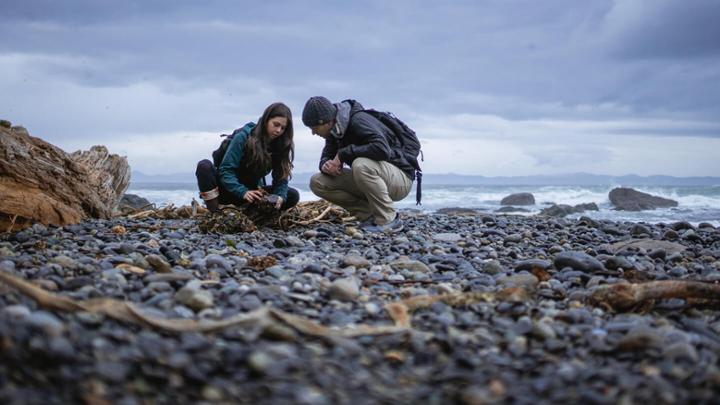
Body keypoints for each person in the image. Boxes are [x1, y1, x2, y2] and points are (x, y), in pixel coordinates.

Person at [302, 96, 415, 233]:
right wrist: (326, 165)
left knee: (360, 164)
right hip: (377, 177)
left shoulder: (358, 120)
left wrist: (344, 153)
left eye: (314, 127)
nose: (313, 133)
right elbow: (326, 156)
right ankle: (369, 216)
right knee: (317, 181)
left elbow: (382, 149)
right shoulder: (335, 131)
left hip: (401, 178)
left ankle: (389, 219)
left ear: (326, 122)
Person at [196, 102, 299, 213]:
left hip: (252, 194)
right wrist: (243, 192)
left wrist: (280, 197)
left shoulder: (280, 145)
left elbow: (281, 180)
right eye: (276, 124)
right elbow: (226, 170)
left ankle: (252, 213)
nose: (279, 131)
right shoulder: (243, 137)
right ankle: (215, 213)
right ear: (266, 120)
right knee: (204, 166)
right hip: (226, 190)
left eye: (283, 128)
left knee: (292, 195)